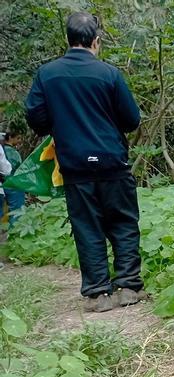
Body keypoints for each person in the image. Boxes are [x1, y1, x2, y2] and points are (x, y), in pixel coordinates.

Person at [25, 12, 145, 313]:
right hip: (112, 162)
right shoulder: (109, 74)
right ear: (96, 41)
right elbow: (131, 120)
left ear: (68, 40)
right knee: (123, 222)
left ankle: (97, 294)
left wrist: (62, 124)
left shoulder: (47, 74)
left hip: (75, 165)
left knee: (87, 226)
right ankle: (128, 286)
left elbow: (36, 118)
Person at [1, 131, 26, 230]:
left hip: (3, 184)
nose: (19, 141)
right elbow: (17, 168)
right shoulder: (12, 152)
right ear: (10, 138)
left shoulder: (3, 149)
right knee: (17, 211)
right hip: (14, 184)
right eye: (18, 138)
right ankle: (14, 234)